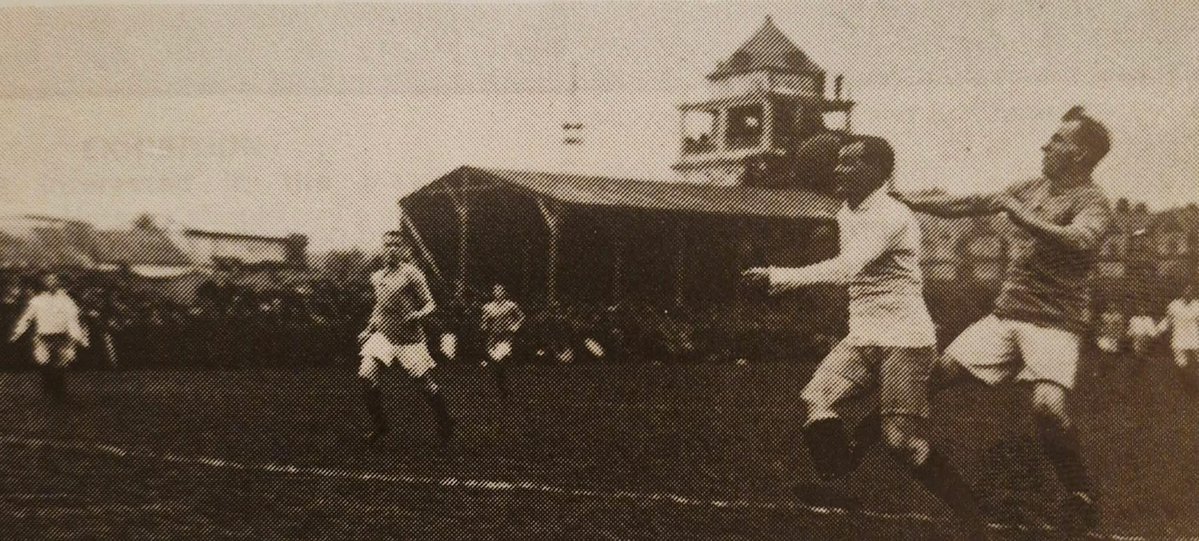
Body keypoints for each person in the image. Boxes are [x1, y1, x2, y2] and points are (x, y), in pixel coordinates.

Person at [744, 135, 989, 538]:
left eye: (848, 163)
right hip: (864, 335)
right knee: (816, 398)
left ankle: (975, 521)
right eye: (838, 163)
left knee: (900, 443)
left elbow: (847, 269)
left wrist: (776, 276)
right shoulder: (847, 211)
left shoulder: (892, 216)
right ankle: (840, 479)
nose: (838, 170)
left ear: (877, 171)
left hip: (906, 341)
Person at [894, 106, 1113, 534]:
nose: (1046, 146)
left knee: (1048, 409)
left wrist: (1018, 213)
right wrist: (907, 201)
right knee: (932, 377)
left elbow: (1080, 239)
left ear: (1081, 155)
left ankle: (1079, 494)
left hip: (1054, 323)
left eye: (1058, 140)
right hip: (1006, 315)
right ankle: (861, 447)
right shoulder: (1029, 188)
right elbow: (969, 203)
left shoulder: (1093, 202)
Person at [357, 231, 456, 450]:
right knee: (365, 376)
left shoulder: (412, 274)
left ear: (403, 249)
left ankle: (445, 420)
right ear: (382, 249)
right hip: (383, 336)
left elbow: (430, 304)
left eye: (396, 245)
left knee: (426, 385)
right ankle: (381, 425)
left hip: (409, 340)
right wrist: (368, 328)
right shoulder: (377, 277)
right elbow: (379, 308)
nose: (391, 249)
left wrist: (416, 315)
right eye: (387, 245)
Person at [8, 273, 89, 404]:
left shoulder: (66, 300)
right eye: (48, 280)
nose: (51, 283)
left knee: (61, 364)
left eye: (54, 280)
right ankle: (49, 391)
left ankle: (59, 394)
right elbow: (27, 318)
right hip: (44, 336)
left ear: (58, 282)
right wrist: (17, 333)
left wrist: (79, 337)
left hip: (62, 336)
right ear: (44, 283)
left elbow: (73, 319)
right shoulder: (37, 301)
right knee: (45, 363)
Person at [479, 283, 525, 399]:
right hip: (493, 338)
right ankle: (498, 387)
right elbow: (484, 322)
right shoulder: (488, 307)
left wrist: (515, 327)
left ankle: (503, 387)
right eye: (496, 291)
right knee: (494, 363)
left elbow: (521, 317)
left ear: (504, 292)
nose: (498, 293)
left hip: (506, 337)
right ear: (493, 293)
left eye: (500, 291)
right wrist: (484, 327)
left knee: (502, 361)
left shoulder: (511, 305)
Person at [1157, 283, 1199, 393]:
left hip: (1194, 338)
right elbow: (1167, 320)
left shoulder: (1197, 305)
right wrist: (1158, 330)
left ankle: (1195, 383)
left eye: (1191, 291)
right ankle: (1186, 385)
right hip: (1179, 338)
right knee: (1181, 364)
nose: (1188, 293)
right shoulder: (1174, 305)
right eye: (1186, 291)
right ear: (1182, 293)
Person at [1126, 302, 1158, 372]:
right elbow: (1130, 331)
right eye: (1139, 308)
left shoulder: (1149, 319)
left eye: (1143, 308)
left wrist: (1149, 337)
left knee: (1143, 343)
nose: (1141, 310)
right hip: (1136, 339)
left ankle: (1142, 364)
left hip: (1146, 339)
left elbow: (1153, 332)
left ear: (1145, 309)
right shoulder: (1134, 319)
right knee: (1137, 343)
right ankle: (1138, 365)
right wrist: (1130, 335)